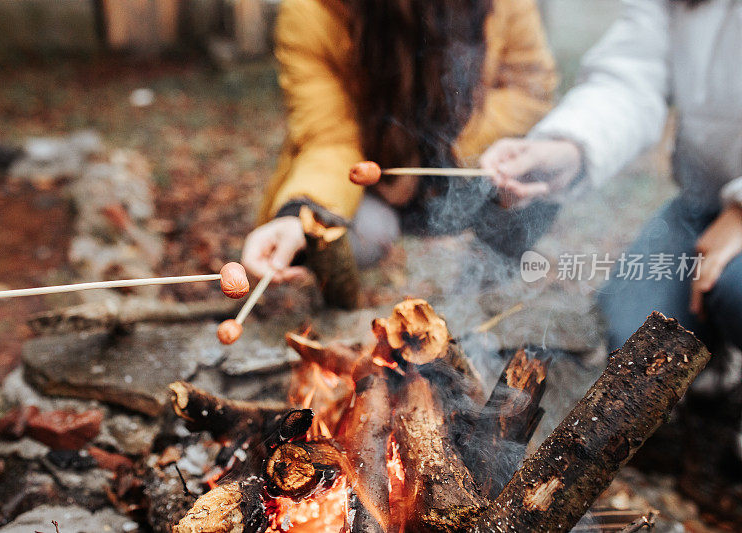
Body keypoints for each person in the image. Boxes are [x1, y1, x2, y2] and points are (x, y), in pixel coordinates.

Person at [479, 0, 742, 355]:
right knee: (634, 341)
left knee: (731, 288)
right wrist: (568, 146)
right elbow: (631, 78)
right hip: (702, 205)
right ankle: (708, 366)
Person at [243, 0, 558, 282]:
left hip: (465, 169)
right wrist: (303, 215)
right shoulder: (314, 10)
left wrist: (430, 156)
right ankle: (336, 306)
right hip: (374, 183)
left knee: (541, 176)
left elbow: (529, 90)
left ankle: (484, 291)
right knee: (333, 237)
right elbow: (327, 136)